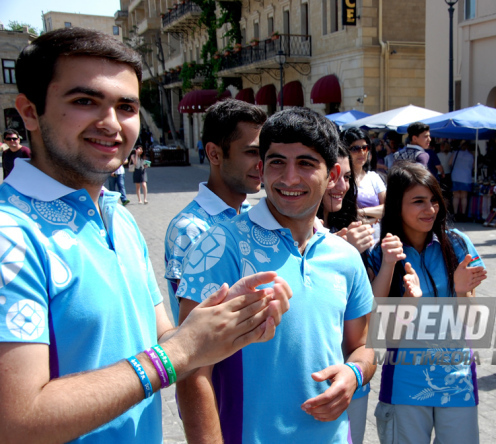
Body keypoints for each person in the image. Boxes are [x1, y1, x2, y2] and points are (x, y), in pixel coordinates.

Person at [0, 27, 291, 444]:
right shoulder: (10, 233)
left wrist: (228, 321)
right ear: (30, 112)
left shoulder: (118, 216)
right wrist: (178, 352)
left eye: (126, 106)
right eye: (85, 101)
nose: (111, 123)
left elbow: (163, 339)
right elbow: (17, 421)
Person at [177, 108, 375, 444]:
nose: (289, 178)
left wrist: (354, 374)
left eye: (306, 164)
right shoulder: (220, 245)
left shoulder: (345, 256)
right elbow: (191, 369)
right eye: (277, 162)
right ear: (262, 168)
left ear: (333, 175)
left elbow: (364, 346)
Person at [367, 162, 486, 444]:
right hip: (405, 383)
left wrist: (460, 290)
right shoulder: (380, 254)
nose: (430, 209)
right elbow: (378, 331)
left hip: (457, 380)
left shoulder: (458, 245)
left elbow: (472, 323)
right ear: (396, 206)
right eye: (418, 201)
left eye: (434, 200)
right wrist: (407, 298)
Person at [164, 99, 267, 324]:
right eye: (252, 152)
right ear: (214, 154)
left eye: (264, 153)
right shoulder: (190, 228)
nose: (262, 163)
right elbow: (192, 327)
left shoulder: (253, 215)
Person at [315, 143, 374, 444]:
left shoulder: (351, 227)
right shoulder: (292, 235)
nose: (341, 184)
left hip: (350, 375)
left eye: (347, 176)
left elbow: (365, 314)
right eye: (334, 175)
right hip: (310, 380)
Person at [343, 127, 387, 222]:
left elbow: (388, 207)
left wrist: (361, 212)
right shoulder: (340, 180)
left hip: (375, 235)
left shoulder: (373, 177)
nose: (362, 152)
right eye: (355, 149)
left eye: (365, 147)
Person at [451, 141, 475, 220]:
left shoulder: (455, 153)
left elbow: (450, 163)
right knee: (464, 196)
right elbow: (474, 166)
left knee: (456, 196)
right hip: (466, 177)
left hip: (455, 176)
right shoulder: (471, 155)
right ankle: (463, 214)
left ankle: (455, 213)